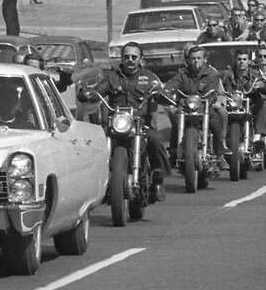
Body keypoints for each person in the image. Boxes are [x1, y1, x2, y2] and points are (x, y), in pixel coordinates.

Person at [79, 42, 172, 193]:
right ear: (121, 58)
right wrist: (89, 94)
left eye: (134, 57)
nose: (130, 60)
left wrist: (162, 95)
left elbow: (162, 93)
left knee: (154, 140)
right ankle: (94, 182)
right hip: (117, 124)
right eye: (126, 57)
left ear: (141, 59)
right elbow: (99, 91)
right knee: (96, 145)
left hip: (141, 124)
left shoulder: (148, 77)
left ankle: (158, 176)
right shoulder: (112, 77)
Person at [163, 44, 228, 161]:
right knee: (175, 119)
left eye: (198, 58)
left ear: (204, 59)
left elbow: (212, 92)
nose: (195, 61)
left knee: (216, 123)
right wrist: (166, 92)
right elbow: (171, 85)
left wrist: (206, 100)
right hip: (186, 108)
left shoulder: (212, 74)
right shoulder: (183, 74)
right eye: (193, 58)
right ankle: (174, 151)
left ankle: (219, 155)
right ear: (188, 60)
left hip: (205, 108)